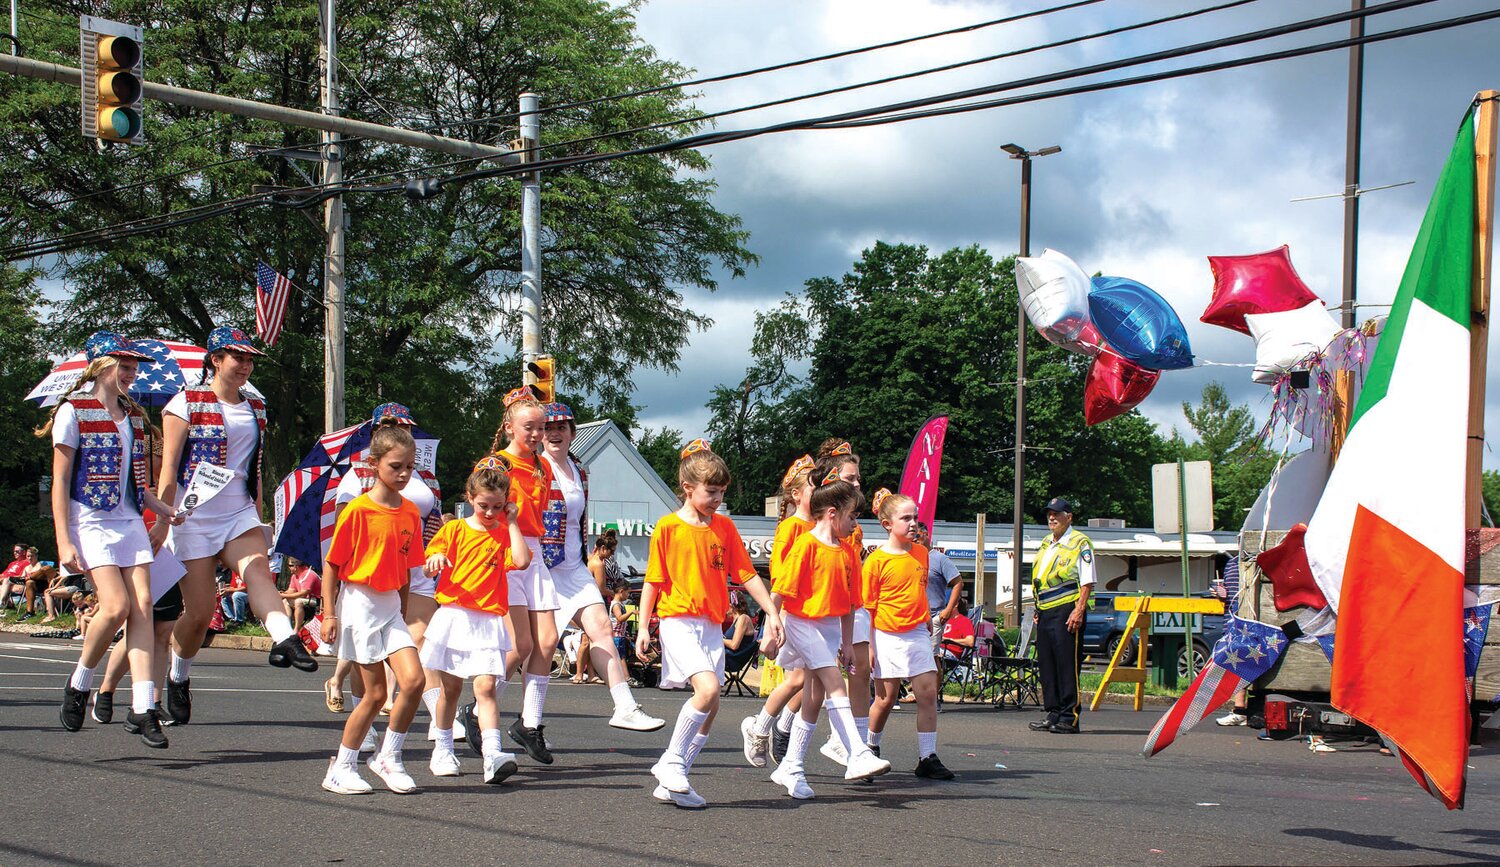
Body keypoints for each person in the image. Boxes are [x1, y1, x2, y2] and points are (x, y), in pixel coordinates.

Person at [157, 326, 317, 728]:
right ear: (215, 360)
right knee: (198, 613)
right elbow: (170, 468)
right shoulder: (185, 402)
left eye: (249, 359)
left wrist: (259, 512)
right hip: (192, 515)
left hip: (237, 510)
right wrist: (162, 519)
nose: (245, 365)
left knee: (257, 569)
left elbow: (255, 466)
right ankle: (179, 675)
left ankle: (285, 637)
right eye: (237, 358)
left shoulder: (255, 407)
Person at [40, 331, 183, 747]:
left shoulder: (134, 416)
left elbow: (139, 486)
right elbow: (61, 481)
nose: (131, 374)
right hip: (91, 521)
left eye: (134, 368)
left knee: (142, 607)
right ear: (100, 366)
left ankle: (142, 708)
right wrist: (63, 541)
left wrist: (164, 510)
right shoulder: (74, 411)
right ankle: (79, 681)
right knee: (117, 606)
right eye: (124, 366)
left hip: (129, 523)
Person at [637, 440, 784, 809]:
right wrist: (642, 627)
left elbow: (748, 575)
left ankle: (675, 779)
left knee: (712, 701)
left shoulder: (725, 527)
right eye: (711, 491)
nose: (717, 498)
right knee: (705, 690)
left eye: (721, 492)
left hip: (710, 625)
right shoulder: (668, 528)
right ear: (688, 488)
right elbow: (653, 581)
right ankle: (671, 763)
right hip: (677, 621)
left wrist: (772, 611)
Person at [318, 423, 429, 795]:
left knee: (414, 680)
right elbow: (332, 566)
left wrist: (405, 608)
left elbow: (407, 569)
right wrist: (329, 614)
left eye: (410, 467)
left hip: (391, 607)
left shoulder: (411, 512)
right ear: (374, 464)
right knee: (376, 695)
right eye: (396, 466)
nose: (403, 474)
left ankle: (388, 757)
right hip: (359, 603)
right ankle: (342, 766)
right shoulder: (358, 511)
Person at [768, 465, 891, 800]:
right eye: (852, 516)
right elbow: (780, 590)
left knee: (814, 697)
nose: (855, 524)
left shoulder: (848, 551)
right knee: (835, 684)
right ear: (833, 513)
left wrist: (849, 643)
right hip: (801, 622)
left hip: (829, 627)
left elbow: (852, 603)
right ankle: (857, 753)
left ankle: (791, 765)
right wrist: (771, 625)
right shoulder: (805, 545)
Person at [326, 403, 448, 741]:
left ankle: (436, 730)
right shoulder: (357, 480)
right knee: (372, 682)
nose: (398, 431)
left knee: (418, 654)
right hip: (364, 584)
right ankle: (359, 734)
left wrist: (436, 528)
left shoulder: (423, 478)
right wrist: (328, 612)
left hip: (412, 573)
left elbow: (432, 519)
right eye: (389, 426)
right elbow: (339, 548)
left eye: (404, 426)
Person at [539, 402, 662, 731]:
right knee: (534, 648)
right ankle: (492, 713)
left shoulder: (578, 469)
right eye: (548, 427)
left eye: (561, 427)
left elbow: (579, 519)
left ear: (571, 433)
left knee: (602, 629)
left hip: (574, 566)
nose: (554, 433)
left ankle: (624, 706)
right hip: (542, 566)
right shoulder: (534, 468)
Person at [424, 456, 530, 784]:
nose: (489, 513)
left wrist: (512, 523)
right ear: (470, 498)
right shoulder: (454, 529)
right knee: (451, 689)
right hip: (455, 616)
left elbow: (522, 561)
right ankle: (442, 748)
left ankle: (492, 755)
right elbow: (429, 561)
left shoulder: (502, 532)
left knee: (485, 686)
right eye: (483, 505)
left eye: (497, 507)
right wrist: (437, 558)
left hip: (488, 620)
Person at [486, 387, 559, 763]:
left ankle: (529, 724)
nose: (536, 435)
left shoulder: (543, 466)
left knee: (547, 641)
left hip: (535, 554)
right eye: (528, 427)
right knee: (521, 645)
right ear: (510, 426)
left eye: (541, 428)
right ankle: (480, 707)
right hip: (505, 554)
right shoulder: (497, 466)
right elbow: (483, 512)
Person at [864, 489, 955, 780]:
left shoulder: (922, 554)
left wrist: (926, 615)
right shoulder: (876, 561)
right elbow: (869, 607)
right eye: (906, 518)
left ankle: (927, 757)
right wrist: (870, 645)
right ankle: (870, 748)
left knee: (927, 692)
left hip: (917, 631)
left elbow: (919, 587)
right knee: (886, 698)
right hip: (887, 633)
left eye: (915, 517)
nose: (913, 523)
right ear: (887, 524)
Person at [740, 454, 815, 769]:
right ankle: (763, 728)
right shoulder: (792, 528)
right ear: (796, 494)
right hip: (793, 613)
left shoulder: (822, 525)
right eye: (814, 485)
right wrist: (773, 619)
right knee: (801, 679)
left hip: (816, 613)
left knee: (810, 680)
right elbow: (781, 578)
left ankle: (776, 729)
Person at [810, 441, 873, 769]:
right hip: (819, 608)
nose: (858, 483)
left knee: (859, 669)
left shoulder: (854, 524)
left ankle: (855, 745)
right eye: (851, 478)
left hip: (851, 603)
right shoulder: (815, 518)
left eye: (858, 478)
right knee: (809, 683)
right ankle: (770, 726)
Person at [1027, 497, 1095, 735]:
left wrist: (1079, 609)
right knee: (1047, 665)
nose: (1052, 518)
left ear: (1069, 517)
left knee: (1067, 665)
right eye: (1049, 514)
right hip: (1046, 610)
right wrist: (1038, 608)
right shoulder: (1047, 542)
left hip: (1067, 609)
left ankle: (1070, 716)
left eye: (1057, 514)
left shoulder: (1080, 542)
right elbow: (1042, 577)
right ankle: (1053, 713)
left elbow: (1087, 580)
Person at [94, 583, 182, 725]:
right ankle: (106, 691)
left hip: (170, 566)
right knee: (136, 631)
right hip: (141, 566)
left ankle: (153, 703)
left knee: (163, 634)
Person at [281, 557, 322, 632]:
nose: (288, 568)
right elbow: (291, 590)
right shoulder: (294, 576)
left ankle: (296, 629)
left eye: (290, 565)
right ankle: (288, 627)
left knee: (298, 601)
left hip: (317, 601)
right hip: (306, 599)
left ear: (296, 566)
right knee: (285, 601)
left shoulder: (308, 574)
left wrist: (283, 595)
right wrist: (282, 594)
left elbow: (303, 593)